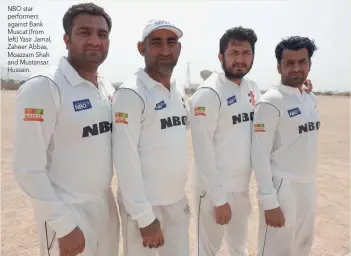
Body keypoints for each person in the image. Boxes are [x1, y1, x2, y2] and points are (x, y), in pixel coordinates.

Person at [189, 27, 313, 256]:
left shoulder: (251, 88)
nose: (240, 59)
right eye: (234, 53)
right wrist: (218, 200)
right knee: (207, 251)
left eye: (246, 53)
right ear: (221, 56)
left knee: (238, 248)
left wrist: (301, 91)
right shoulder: (208, 94)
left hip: (241, 188)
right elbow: (203, 150)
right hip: (213, 192)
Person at [13, 3, 119, 256]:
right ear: (67, 39)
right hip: (67, 212)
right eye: (84, 32)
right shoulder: (44, 87)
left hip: (106, 206)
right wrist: (63, 225)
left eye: (101, 34)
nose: (94, 41)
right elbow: (27, 170)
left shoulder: (106, 88)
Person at [111, 19, 190, 256]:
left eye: (171, 42)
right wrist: (145, 218)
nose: (165, 50)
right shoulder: (130, 93)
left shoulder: (177, 88)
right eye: (156, 42)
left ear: (179, 48)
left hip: (176, 201)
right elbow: (125, 161)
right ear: (141, 48)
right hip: (144, 209)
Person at [251, 36, 320, 256]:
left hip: (307, 184)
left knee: (302, 248)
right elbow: (259, 154)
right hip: (282, 188)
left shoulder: (309, 98)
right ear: (279, 66)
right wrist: (270, 202)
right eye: (289, 63)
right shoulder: (271, 101)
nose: (296, 68)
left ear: (309, 64)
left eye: (302, 61)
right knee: (276, 250)